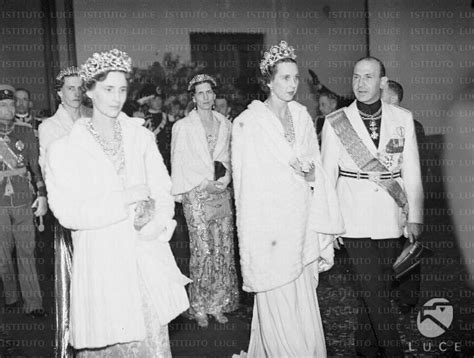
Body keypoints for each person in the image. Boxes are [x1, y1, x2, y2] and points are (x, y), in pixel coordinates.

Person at [45, 49, 190, 356]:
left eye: (122, 89)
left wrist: (155, 220)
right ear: (89, 90)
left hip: (144, 258)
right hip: (102, 262)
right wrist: (123, 201)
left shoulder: (140, 137)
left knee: (149, 343)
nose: (116, 98)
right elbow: (68, 212)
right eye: (108, 89)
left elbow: (163, 189)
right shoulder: (66, 148)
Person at [231, 41, 343, 357]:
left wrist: (307, 174)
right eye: (285, 78)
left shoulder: (301, 115)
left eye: (295, 78)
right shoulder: (248, 123)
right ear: (268, 80)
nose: (293, 84)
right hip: (271, 228)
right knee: (278, 296)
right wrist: (288, 174)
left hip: (302, 222)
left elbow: (316, 167)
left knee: (302, 296)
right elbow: (247, 183)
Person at [321, 57, 424, 357]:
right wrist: (330, 222)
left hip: (391, 215)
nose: (360, 83)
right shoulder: (336, 121)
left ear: (382, 82)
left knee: (378, 289)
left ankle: (364, 348)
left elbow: (413, 173)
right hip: (352, 218)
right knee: (376, 293)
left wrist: (414, 217)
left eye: (368, 77)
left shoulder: (402, 118)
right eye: (356, 77)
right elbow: (328, 178)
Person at [171, 73, 239, 328]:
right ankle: (199, 305)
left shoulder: (225, 123)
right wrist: (202, 182)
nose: (206, 97)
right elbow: (179, 163)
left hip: (221, 193)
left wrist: (227, 178)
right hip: (196, 195)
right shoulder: (183, 126)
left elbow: (232, 156)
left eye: (209, 92)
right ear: (193, 97)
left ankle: (218, 303)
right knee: (203, 250)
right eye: (200, 93)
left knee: (222, 249)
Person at [38, 66, 86, 358]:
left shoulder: (93, 119)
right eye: (70, 88)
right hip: (68, 211)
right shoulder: (49, 126)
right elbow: (50, 170)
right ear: (59, 92)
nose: (77, 93)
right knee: (72, 277)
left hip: (95, 210)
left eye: (80, 87)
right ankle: (71, 343)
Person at [0, 84, 48, 318]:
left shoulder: (26, 132)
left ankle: (34, 302)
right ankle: (10, 295)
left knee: (27, 252)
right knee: (2, 254)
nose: (9, 109)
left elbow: (35, 167)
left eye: (11, 104)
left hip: (22, 199)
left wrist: (41, 193)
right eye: (3, 105)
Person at [139, 85, 176, 173]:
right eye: (154, 99)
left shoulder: (168, 118)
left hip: (167, 162)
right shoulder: (142, 119)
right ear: (147, 101)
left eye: (159, 99)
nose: (158, 102)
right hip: (149, 162)